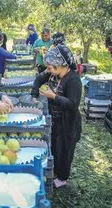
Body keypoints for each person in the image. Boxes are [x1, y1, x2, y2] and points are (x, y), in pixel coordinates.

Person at [31, 44, 82, 188]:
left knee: (65, 149)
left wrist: (52, 96)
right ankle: (54, 171)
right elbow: (38, 79)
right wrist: (34, 95)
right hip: (54, 119)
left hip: (67, 122)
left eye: (51, 67)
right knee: (54, 146)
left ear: (62, 65)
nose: (49, 70)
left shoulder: (73, 80)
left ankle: (62, 178)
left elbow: (73, 104)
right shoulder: (53, 72)